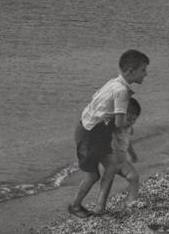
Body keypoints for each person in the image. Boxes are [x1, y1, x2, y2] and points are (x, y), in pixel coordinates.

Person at [68, 49, 149, 218]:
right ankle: (75, 206)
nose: (146, 74)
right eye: (143, 70)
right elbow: (119, 123)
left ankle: (100, 207)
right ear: (130, 71)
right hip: (90, 134)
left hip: (96, 130)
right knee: (93, 174)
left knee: (111, 167)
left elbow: (96, 102)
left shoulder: (114, 83)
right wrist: (127, 130)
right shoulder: (121, 91)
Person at [94, 96, 143, 214]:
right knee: (107, 183)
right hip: (109, 161)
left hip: (121, 162)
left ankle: (131, 202)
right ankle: (100, 207)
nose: (131, 122)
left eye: (134, 120)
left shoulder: (130, 128)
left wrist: (132, 154)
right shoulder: (115, 126)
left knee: (134, 177)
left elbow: (127, 142)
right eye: (129, 119)